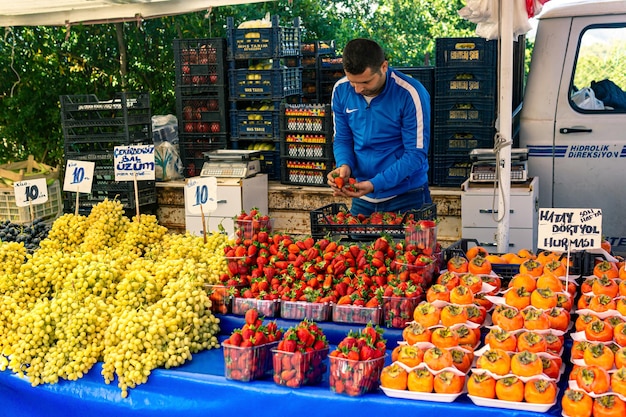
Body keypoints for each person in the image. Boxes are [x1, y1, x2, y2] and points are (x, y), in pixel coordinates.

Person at [327, 38, 432, 216]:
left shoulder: (410, 93)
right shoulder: (340, 90)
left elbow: (415, 154)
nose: (358, 89)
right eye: (353, 82)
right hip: (362, 199)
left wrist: (375, 184)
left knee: (412, 246)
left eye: (366, 82)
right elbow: (343, 139)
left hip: (407, 197)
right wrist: (344, 166)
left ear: (384, 67)